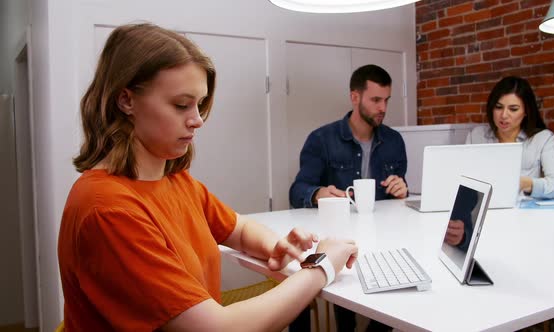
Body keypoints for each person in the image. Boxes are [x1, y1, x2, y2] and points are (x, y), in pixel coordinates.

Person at [57, 23, 359, 332]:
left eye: (200, 104)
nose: (198, 120)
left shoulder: (176, 181)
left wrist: (275, 246)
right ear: (126, 100)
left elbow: (237, 228)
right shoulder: (108, 209)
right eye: (181, 105)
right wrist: (321, 268)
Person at [289, 64, 407, 332]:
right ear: (355, 97)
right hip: (339, 239)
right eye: (375, 100)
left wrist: (402, 188)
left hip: (384, 238)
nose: (383, 108)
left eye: (386, 100)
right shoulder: (322, 139)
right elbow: (297, 190)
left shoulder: (394, 141)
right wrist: (317, 193)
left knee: (394, 292)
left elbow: (397, 191)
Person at [465, 76, 554, 199]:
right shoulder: (477, 135)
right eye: (498, 107)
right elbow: (463, 178)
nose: (504, 115)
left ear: (526, 111)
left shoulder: (542, 139)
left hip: (526, 211)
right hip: (486, 210)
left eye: (513, 109)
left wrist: (527, 184)